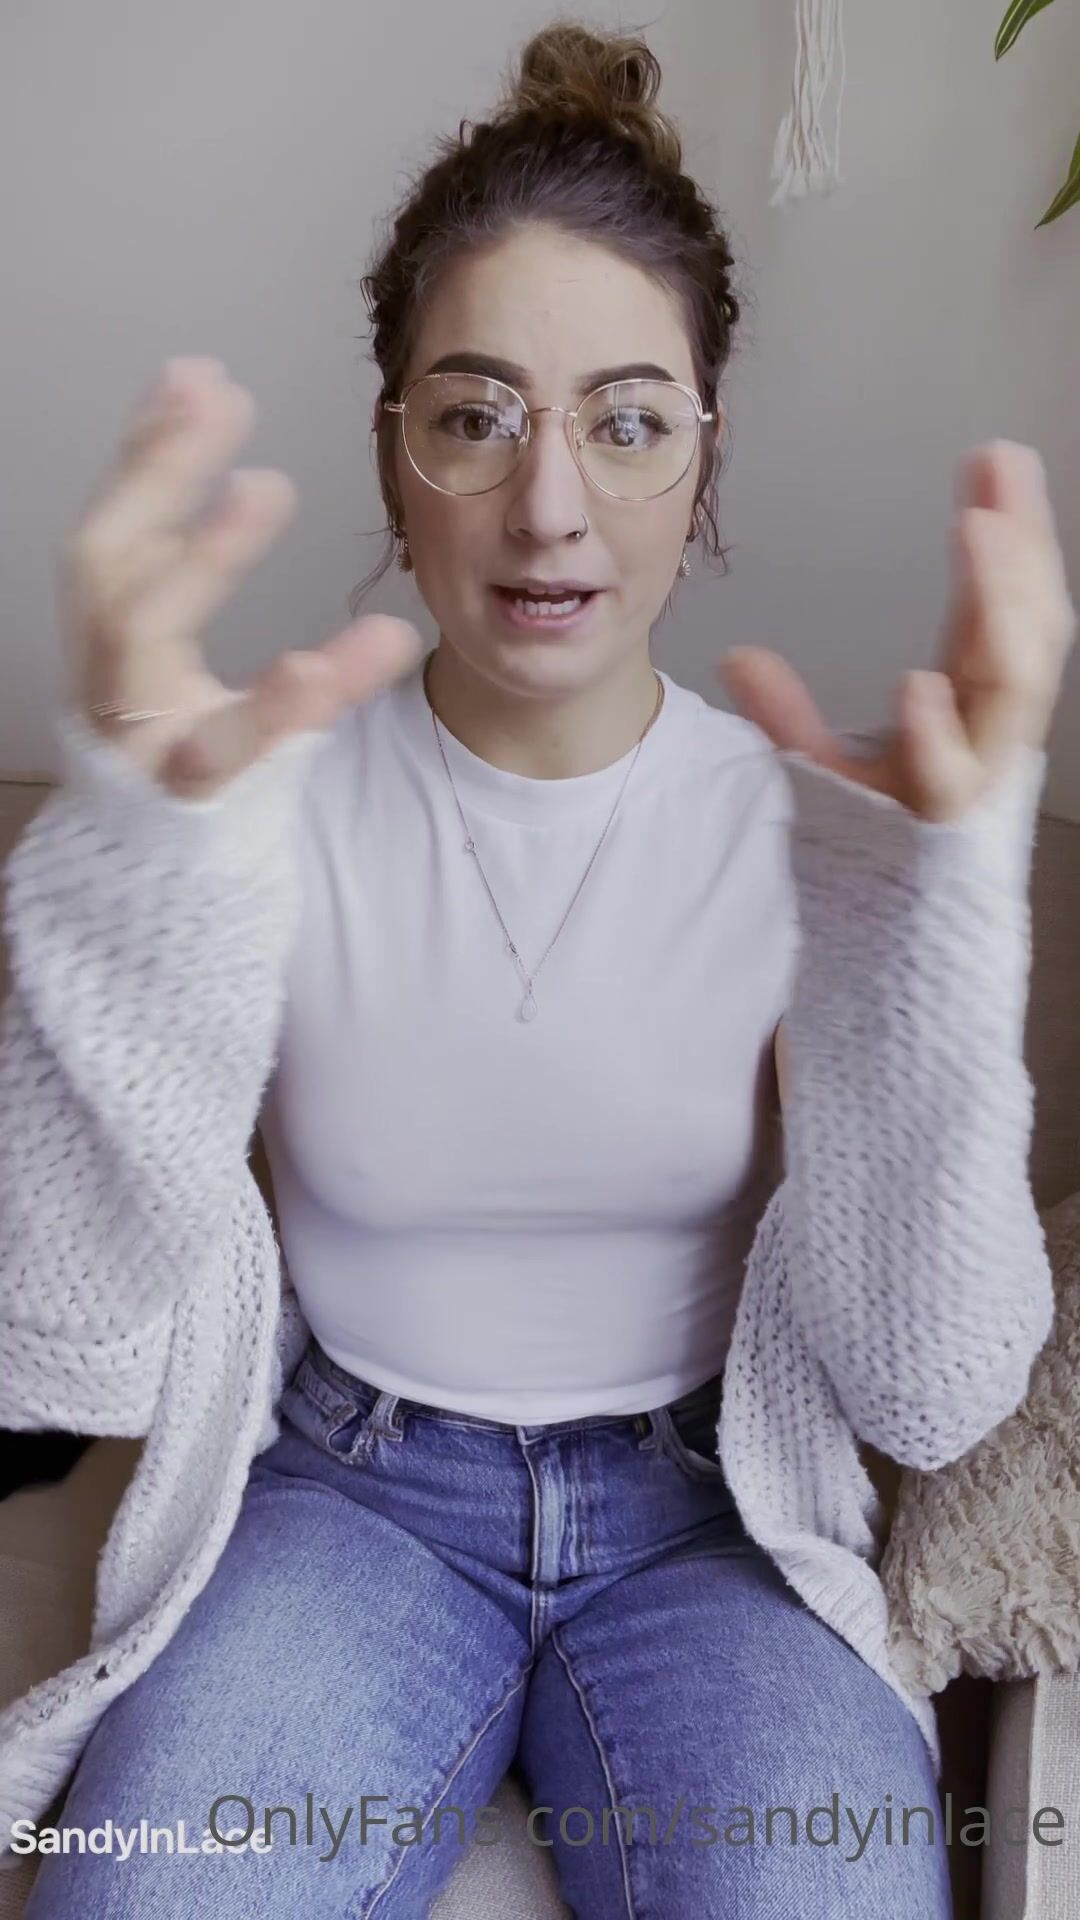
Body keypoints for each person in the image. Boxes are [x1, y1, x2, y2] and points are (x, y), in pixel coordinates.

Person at [2, 19, 1073, 1920]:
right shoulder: (255, 815)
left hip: (705, 1526)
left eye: (628, 420)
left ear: (701, 462)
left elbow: (930, 1400)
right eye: (476, 414)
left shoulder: (816, 842)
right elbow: (59, 1340)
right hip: (346, 1503)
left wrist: (933, 942)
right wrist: (128, 881)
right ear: (394, 452)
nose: (550, 504)